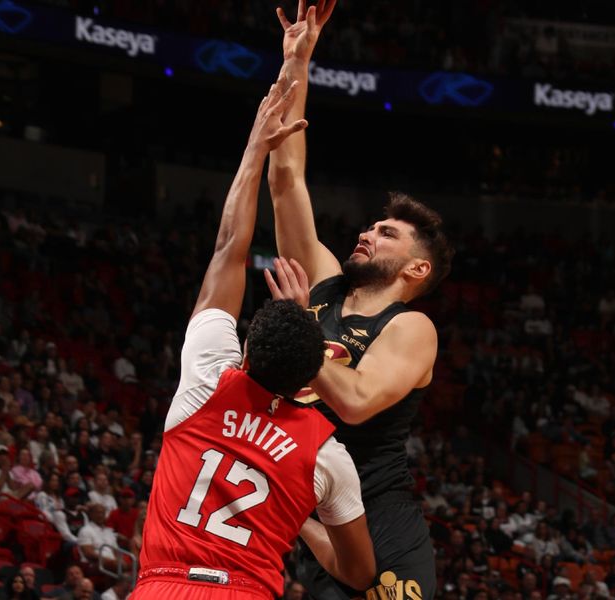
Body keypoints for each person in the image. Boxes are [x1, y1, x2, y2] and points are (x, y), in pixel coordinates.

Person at [130, 77, 375, 600]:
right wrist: (300, 518)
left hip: (162, 588)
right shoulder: (325, 454)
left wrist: (254, 149)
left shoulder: (205, 380)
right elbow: (359, 574)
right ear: (312, 373)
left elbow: (228, 251)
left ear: (244, 351)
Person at [266, 4, 454, 600]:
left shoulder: (412, 326)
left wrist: (296, 331)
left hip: (380, 521)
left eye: (388, 233)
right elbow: (286, 179)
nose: (368, 233)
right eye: (372, 226)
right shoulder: (326, 283)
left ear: (417, 269)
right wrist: (298, 62)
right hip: (316, 511)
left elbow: (354, 403)